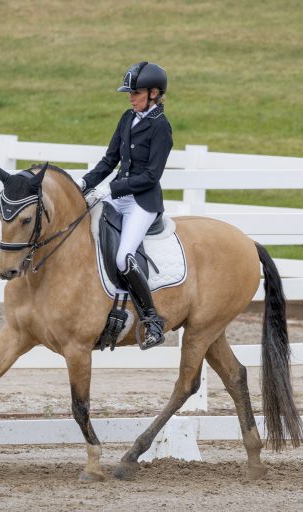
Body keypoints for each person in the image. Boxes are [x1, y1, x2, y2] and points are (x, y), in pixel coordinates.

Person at [81, 61, 172, 350]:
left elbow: (151, 176)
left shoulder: (161, 127)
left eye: (136, 93)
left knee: (123, 258)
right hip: (117, 196)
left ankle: (152, 320)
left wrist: (111, 188)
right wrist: (83, 184)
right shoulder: (127, 118)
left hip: (141, 203)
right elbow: (110, 160)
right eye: (130, 93)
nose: (131, 98)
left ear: (154, 94)